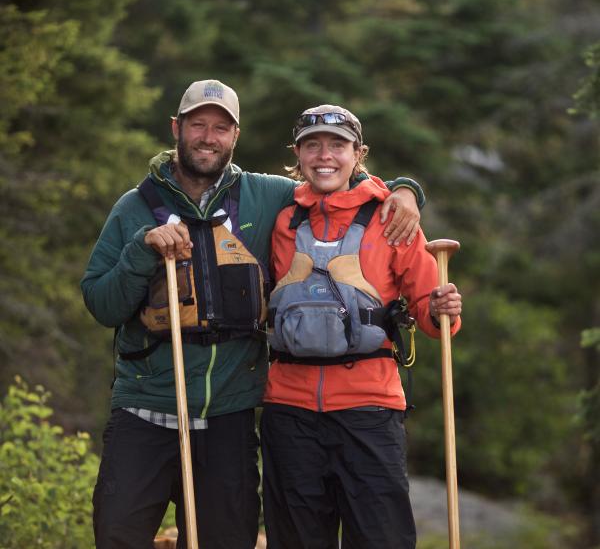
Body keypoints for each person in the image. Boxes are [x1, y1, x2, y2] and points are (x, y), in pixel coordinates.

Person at [81, 80, 427, 549]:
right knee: (118, 535)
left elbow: (335, 188)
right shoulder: (135, 206)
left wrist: (405, 192)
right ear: (176, 128)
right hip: (146, 404)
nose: (208, 136)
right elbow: (102, 304)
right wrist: (141, 250)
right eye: (197, 124)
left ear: (235, 136)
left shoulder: (269, 198)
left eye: (220, 127)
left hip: (229, 412)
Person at [260, 104, 462, 549]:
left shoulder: (392, 216)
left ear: (359, 153)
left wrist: (443, 308)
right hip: (288, 409)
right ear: (298, 154)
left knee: (380, 539)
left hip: (369, 409)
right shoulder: (282, 219)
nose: (324, 155)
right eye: (312, 145)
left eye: (338, 145)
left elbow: (433, 316)